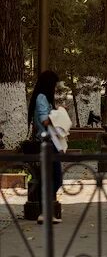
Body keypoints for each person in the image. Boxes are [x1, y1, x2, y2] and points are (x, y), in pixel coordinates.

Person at [29, 70, 63, 224]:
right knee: (54, 177)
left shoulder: (43, 97)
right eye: (54, 85)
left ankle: (46, 211)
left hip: (51, 141)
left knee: (52, 177)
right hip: (47, 142)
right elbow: (44, 121)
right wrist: (60, 114)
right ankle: (44, 211)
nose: (55, 88)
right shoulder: (42, 97)